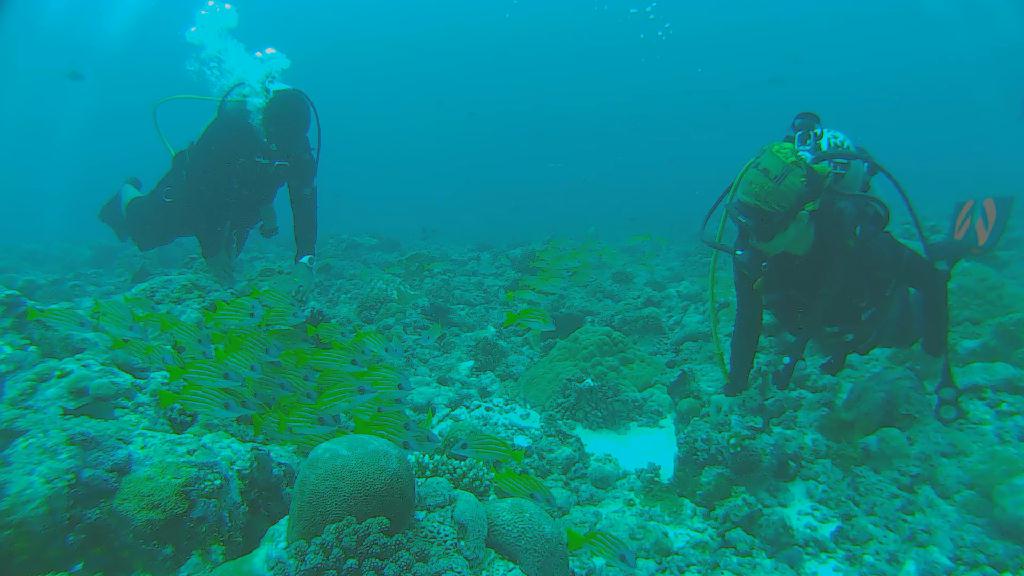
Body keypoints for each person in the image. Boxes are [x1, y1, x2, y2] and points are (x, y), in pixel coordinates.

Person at [720, 113, 951, 395]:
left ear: (801, 218)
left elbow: (932, 281)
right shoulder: (754, 244)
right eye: (744, 222)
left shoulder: (863, 245)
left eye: (763, 227)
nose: (751, 239)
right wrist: (737, 383)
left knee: (902, 332)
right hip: (816, 321)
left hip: (874, 322)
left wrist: (932, 353)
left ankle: (948, 252)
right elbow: (748, 316)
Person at [99, 86, 318, 278]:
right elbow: (200, 189)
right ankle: (126, 191)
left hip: (242, 202)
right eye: (276, 141)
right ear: (263, 122)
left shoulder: (298, 149)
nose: (281, 149)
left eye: (289, 144)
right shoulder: (230, 128)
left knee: (229, 261)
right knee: (147, 232)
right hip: (192, 188)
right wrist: (211, 250)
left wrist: (304, 260)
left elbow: (304, 203)